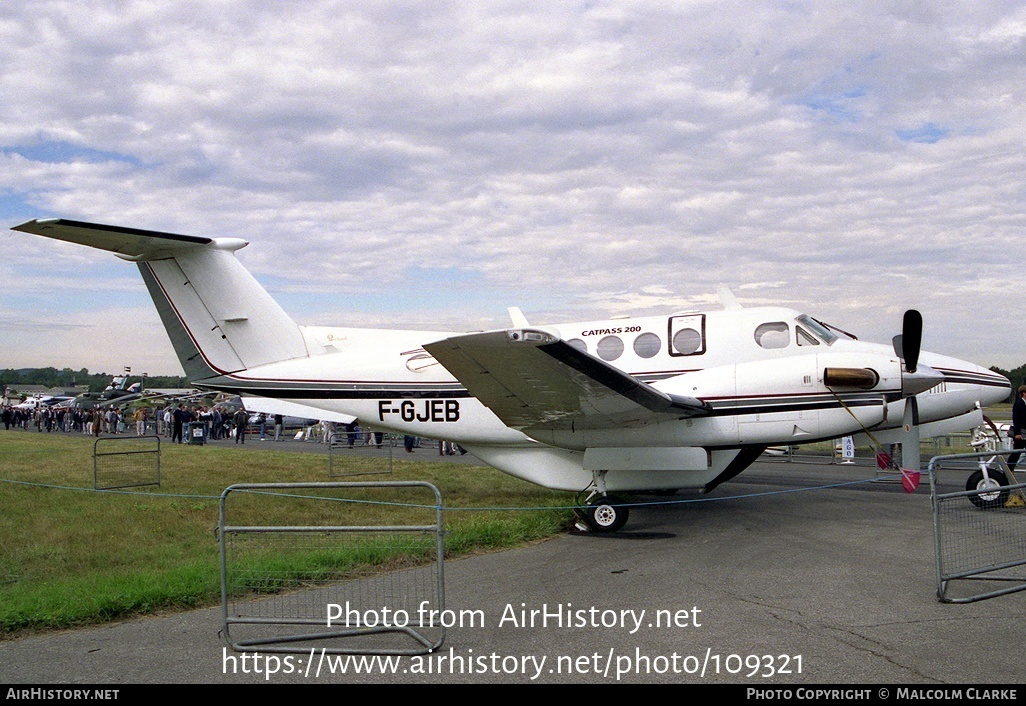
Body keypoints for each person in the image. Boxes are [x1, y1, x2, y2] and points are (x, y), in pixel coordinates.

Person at [1009, 385, 1026, 468]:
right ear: (1024, 393)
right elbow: (1016, 420)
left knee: (1016, 453)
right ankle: (1008, 471)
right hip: (1021, 434)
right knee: (1016, 454)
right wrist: (1017, 433)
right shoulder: (1018, 404)